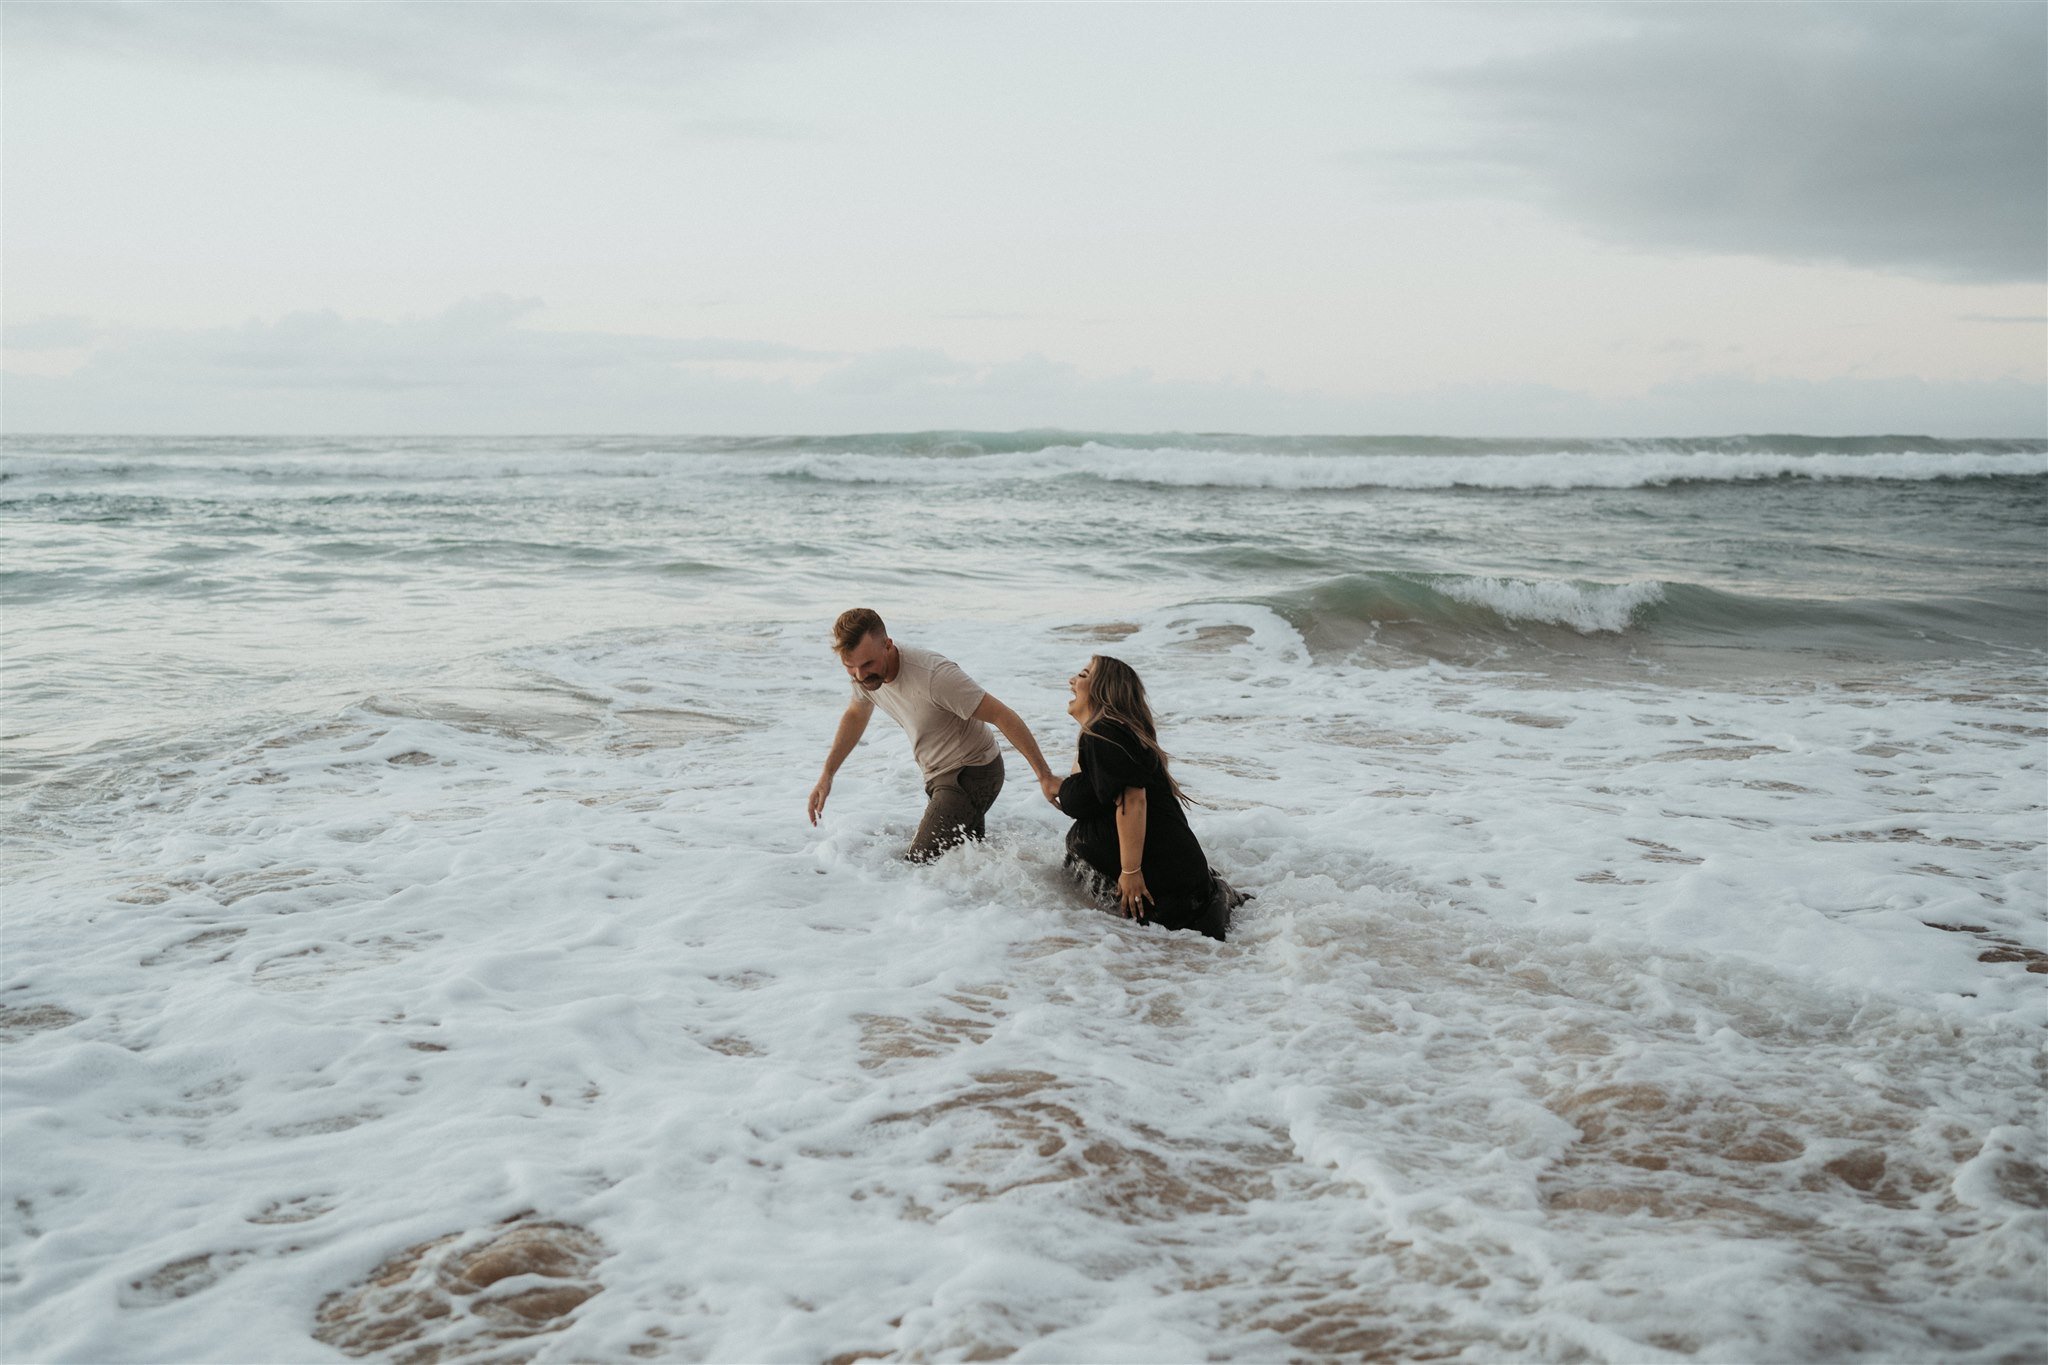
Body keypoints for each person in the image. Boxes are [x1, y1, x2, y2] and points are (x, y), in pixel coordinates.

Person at [808, 608, 1063, 861]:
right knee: (964, 862)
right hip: (939, 775)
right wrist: (827, 774)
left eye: (867, 664)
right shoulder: (864, 676)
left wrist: (1045, 776)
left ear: (887, 645)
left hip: (972, 772)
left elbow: (1002, 715)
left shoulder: (934, 676)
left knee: (919, 864)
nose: (861, 675)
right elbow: (856, 713)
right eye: (850, 666)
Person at [1058, 654, 1246, 940]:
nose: (1072, 681)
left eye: (1083, 675)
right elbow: (1085, 793)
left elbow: (1133, 800)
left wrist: (1130, 872)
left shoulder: (1104, 733)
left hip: (1169, 892)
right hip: (1176, 884)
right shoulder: (1105, 738)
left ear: (1104, 690)